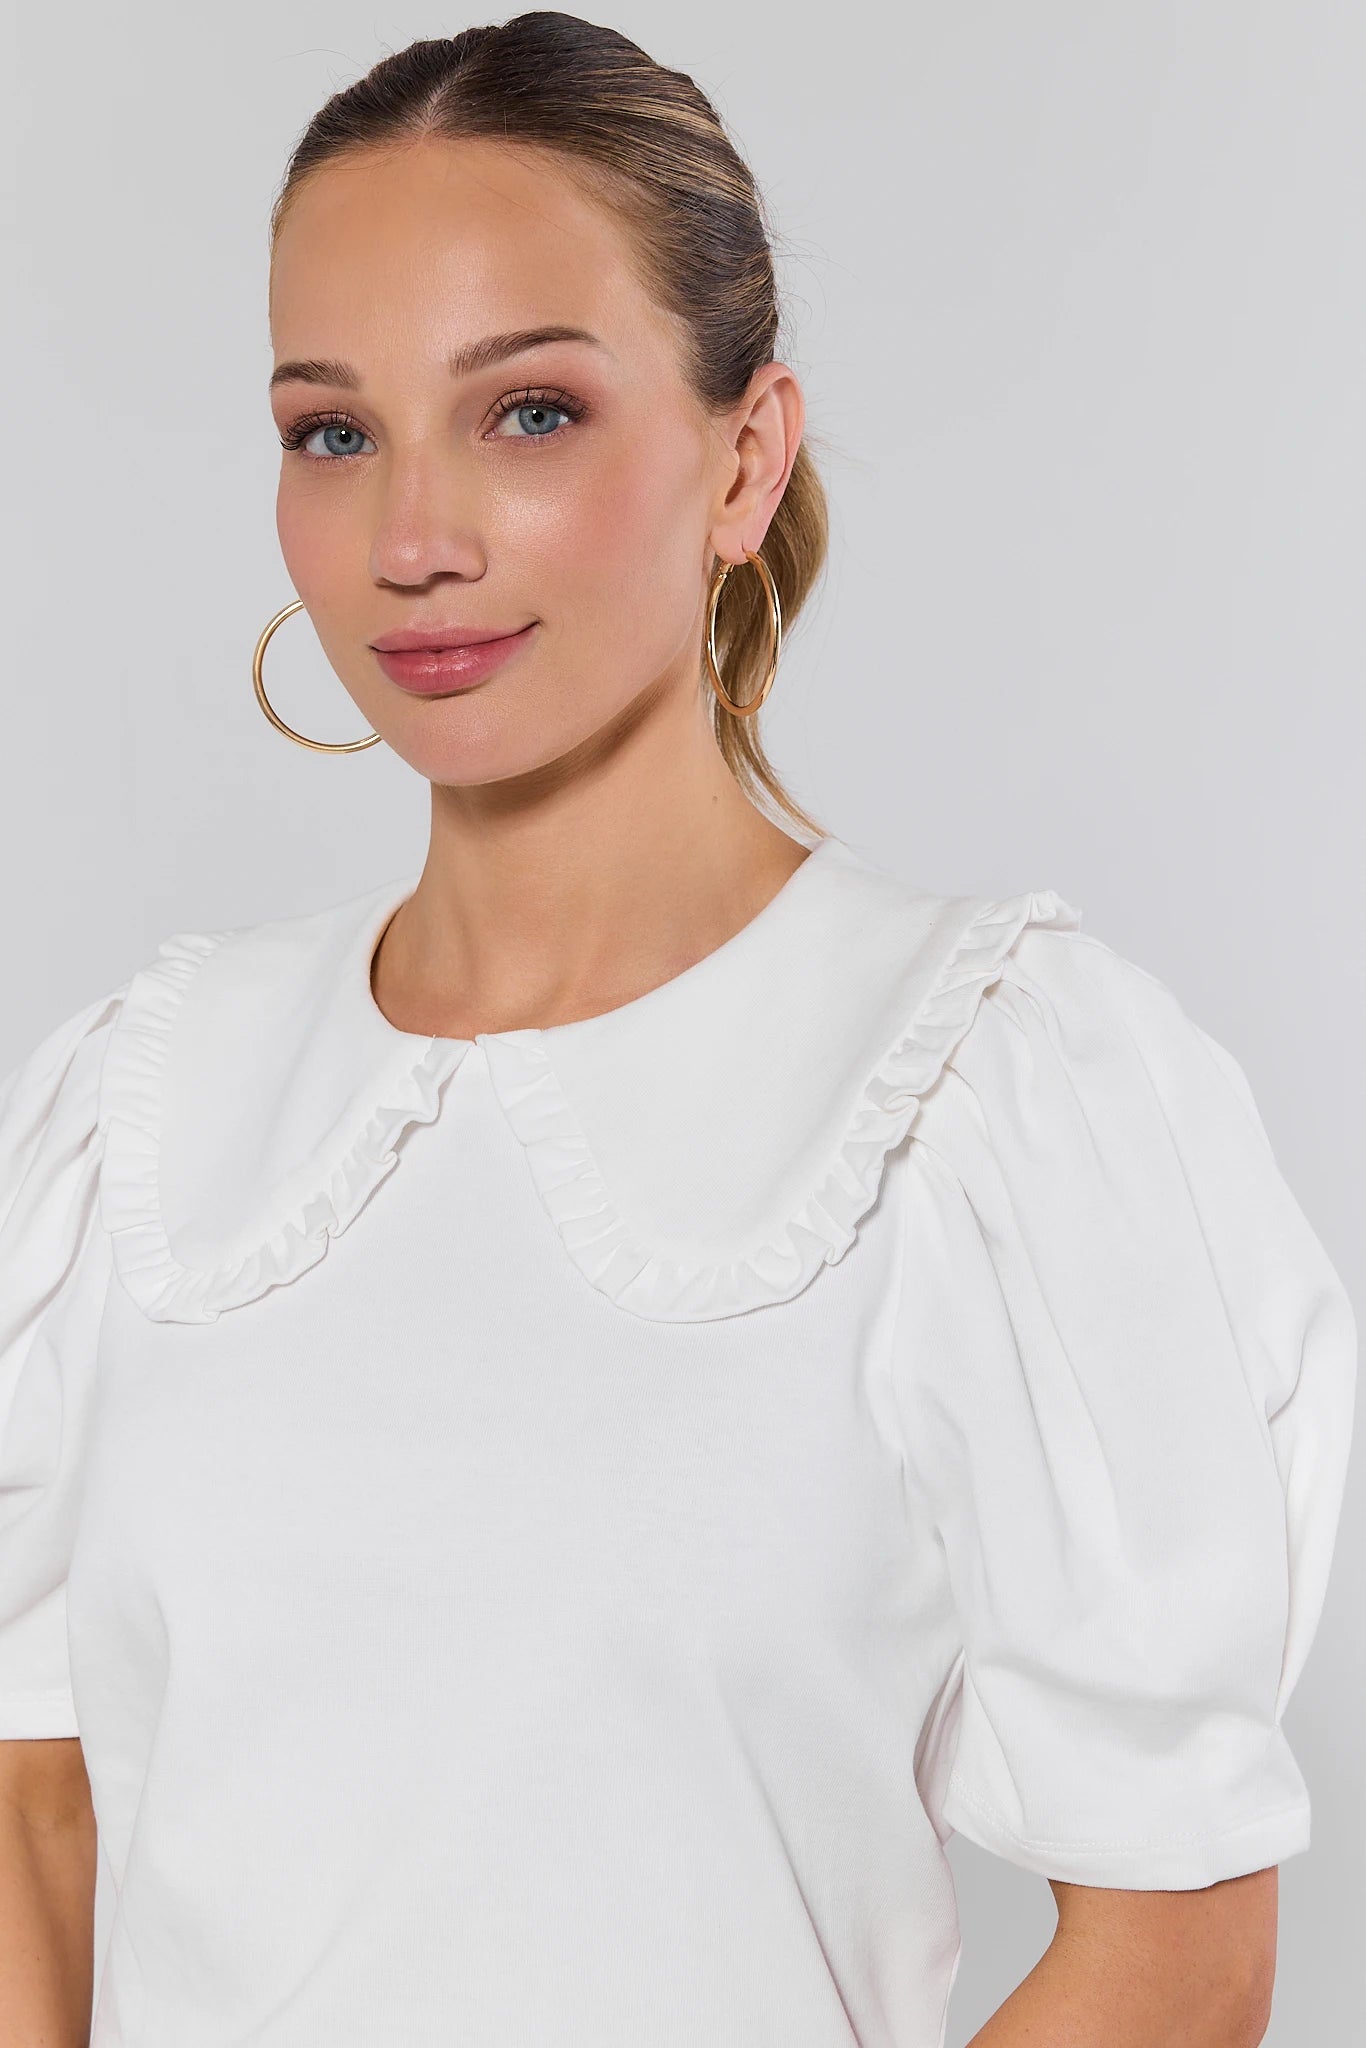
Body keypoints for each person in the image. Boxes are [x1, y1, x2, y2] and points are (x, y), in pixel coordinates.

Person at [0, 15, 1355, 2047]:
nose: (410, 538)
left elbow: (1170, 1949)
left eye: (526, 412)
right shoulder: (136, 1112)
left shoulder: (986, 1089)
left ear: (743, 455)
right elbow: (40, 1830)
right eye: (331, 430)